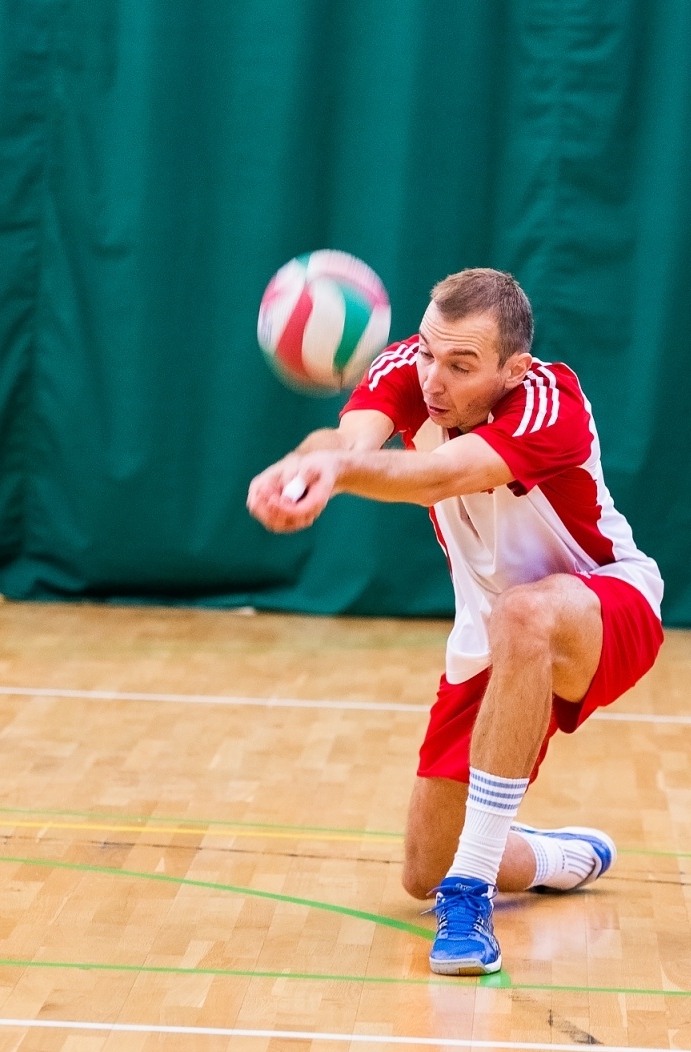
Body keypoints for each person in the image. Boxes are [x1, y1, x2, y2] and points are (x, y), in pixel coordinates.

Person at [247, 268, 664, 977]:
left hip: (607, 607)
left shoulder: (550, 403)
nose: (433, 380)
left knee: (524, 613)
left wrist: (336, 473)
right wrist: (299, 469)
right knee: (423, 869)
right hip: (490, 634)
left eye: (461, 365)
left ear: (513, 369)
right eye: (428, 352)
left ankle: (469, 895)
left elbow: (440, 475)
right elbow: (350, 445)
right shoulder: (412, 368)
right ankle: (554, 857)